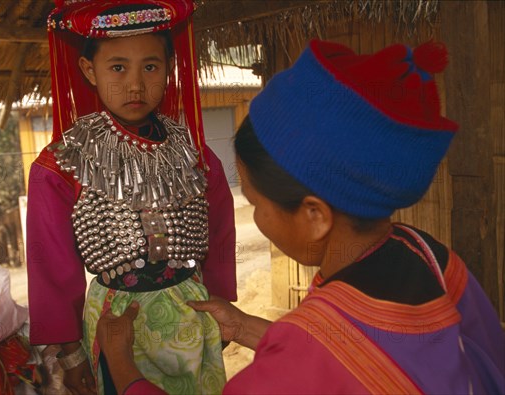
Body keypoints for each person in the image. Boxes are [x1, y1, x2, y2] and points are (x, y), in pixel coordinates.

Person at [96, 39, 505, 394]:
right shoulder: (431, 258)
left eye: (256, 204)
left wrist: (122, 366)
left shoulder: (293, 369)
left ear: (314, 216)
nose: (255, 218)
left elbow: (317, 361)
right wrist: (247, 329)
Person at [26, 1, 237, 394]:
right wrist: (69, 354)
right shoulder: (62, 164)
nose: (136, 84)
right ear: (89, 70)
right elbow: (52, 268)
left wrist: (223, 307)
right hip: (115, 325)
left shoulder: (194, 155)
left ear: (171, 66)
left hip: (193, 317)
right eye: (118, 67)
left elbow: (221, 235)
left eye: (151, 67)